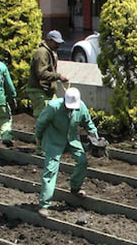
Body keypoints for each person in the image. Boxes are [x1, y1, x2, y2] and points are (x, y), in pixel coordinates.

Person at [33, 87, 98, 218]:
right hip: (54, 141)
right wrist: (38, 138)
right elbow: (41, 122)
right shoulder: (53, 107)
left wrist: (96, 138)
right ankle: (44, 204)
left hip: (72, 140)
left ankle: (75, 187)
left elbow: (88, 123)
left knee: (82, 161)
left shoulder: (81, 107)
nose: (71, 109)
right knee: (50, 170)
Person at [27, 30, 69, 119]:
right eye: (56, 43)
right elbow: (41, 73)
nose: (58, 45)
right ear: (49, 41)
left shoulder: (51, 52)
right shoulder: (42, 53)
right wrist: (59, 76)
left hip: (47, 91)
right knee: (43, 118)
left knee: (56, 114)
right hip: (39, 91)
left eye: (59, 43)